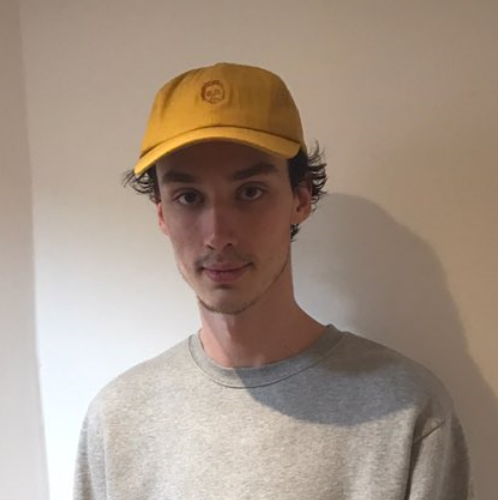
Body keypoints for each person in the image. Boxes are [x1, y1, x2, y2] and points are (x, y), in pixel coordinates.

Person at [74, 62, 474, 499]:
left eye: (250, 192)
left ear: (300, 199)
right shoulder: (117, 421)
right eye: (188, 197)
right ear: (161, 214)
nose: (217, 234)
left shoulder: (406, 411)